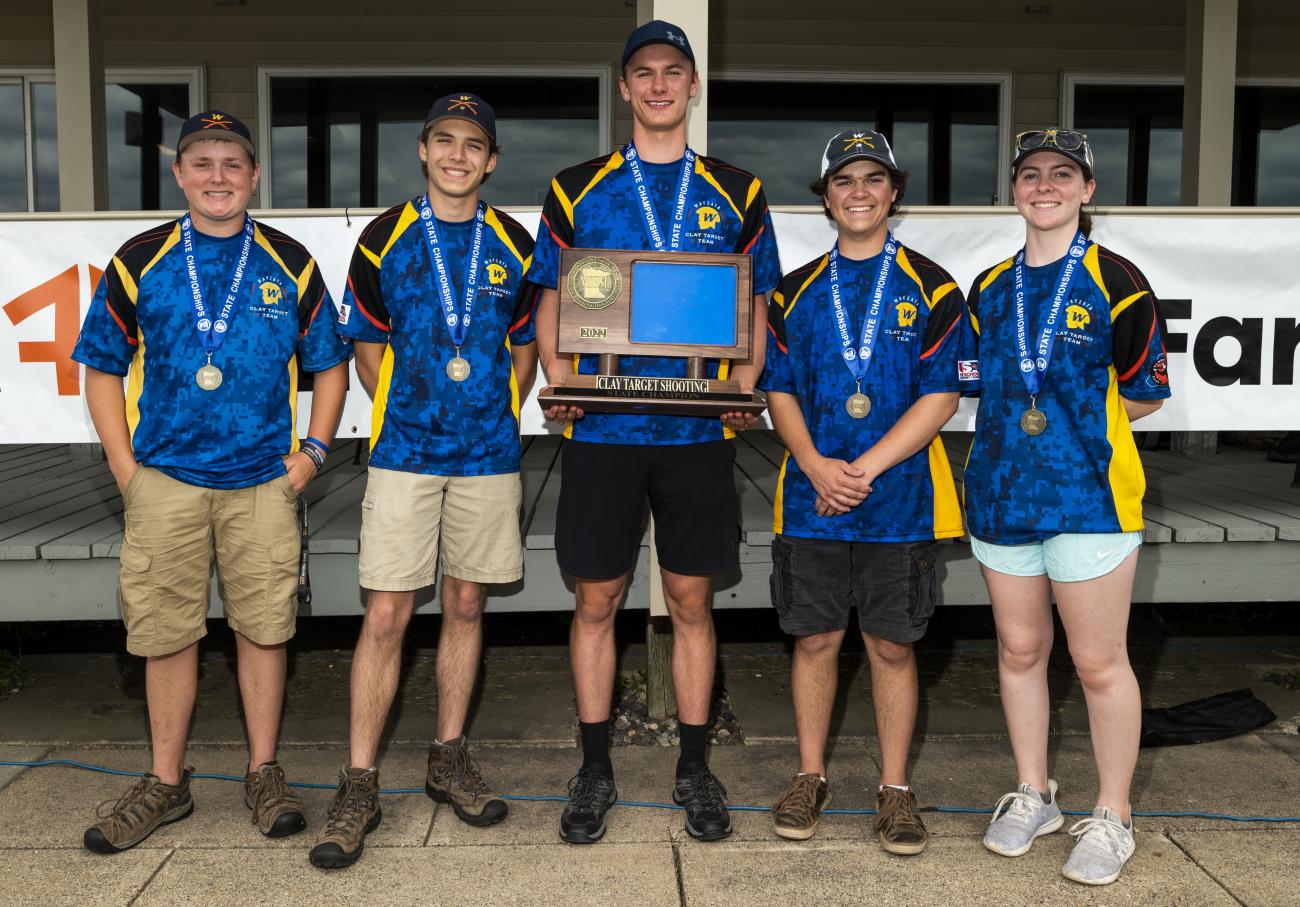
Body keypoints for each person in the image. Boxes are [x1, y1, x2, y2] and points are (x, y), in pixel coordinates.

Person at [530, 20, 782, 844]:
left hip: (695, 435)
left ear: (693, 84)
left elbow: (755, 304)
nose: (660, 85)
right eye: (645, 73)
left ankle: (694, 765)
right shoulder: (576, 188)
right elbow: (553, 299)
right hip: (602, 431)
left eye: (675, 71)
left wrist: (743, 386)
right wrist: (555, 377)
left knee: (690, 601)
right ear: (626, 86)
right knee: (596, 599)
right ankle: (595, 763)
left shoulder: (737, 191)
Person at [72, 111, 351, 853]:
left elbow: (331, 363)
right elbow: (98, 365)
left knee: (264, 629)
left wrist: (313, 454)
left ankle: (264, 771)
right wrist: (126, 469)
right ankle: (166, 782)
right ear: (180, 174)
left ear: (255, 175)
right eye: (202, 162)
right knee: (166, 635)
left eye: (233, 163)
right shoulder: (142, 258)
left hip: (264, 482)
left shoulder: (288, 261)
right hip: (164, 480)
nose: (218, 176)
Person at [308, 93, 538, 869]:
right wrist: (404, 410)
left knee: (468, 602)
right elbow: (366, 340)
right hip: (405, 452)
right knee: (387, 612)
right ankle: (361, 779)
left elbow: (527, 339)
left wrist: (499, 405)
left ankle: (448, 756)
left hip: (486, 456)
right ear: (424, 149)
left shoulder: (514, 241)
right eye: (445, 140)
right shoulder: (384, 236)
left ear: (491, 160)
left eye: (474, 144)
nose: (458, 155)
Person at [761, 130, 978, 852]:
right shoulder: (793, 290)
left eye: (873, 180)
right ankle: (810, 774)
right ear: (825, 197)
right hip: (810, 495)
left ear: (893, 192)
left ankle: (894, 788)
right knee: (815, 638)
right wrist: (820, 465)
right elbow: (778, 390)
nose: (859, 192)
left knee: (891, 645)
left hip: (899, 497)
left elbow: (942, 394)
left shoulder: (935, 287)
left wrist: (866, 468)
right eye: (844, 180)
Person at [963, 128, 1170, 885]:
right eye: (1029, 174)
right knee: (1020, 652)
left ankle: (1113, 815)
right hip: (1001, 494)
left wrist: (1086, 436)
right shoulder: (987, 288)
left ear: (1086, 191)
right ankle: (1034, 792)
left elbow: (1144, 391)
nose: (1043, 185)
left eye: (1061, 174)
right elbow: (980, 388)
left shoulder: (1118, 279)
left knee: (1097, 660)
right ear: (1013, 190)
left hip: (1090, 500)